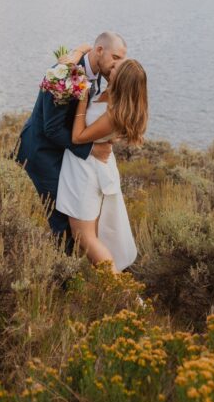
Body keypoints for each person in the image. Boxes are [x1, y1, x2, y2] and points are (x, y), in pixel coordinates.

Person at [15, 32, 128, 254]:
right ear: (99, 51)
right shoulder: (65, 74)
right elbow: (52, 128)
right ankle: (63, 279)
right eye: (115, 58)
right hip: (43, 152)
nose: (119, 64)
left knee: (75, 218)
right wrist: (91, 148)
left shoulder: (94, 72)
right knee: (62, 222)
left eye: (122, 59)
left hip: (64, 154)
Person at [56, 56, 147, 272]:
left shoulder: (114, 114)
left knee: (85, 237)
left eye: (116, 67)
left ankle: (122, 294)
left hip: (85, 174)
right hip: (85, 167)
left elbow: (78, 137)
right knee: (90, 235)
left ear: (122, 80)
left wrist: (82, 100)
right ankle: (116, 291)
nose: (111, 66)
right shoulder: (111, 97)